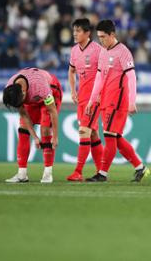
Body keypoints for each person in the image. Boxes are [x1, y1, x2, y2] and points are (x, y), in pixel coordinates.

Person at [84, 20, 150, 182]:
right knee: (116, 138)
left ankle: (102, 174)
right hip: (105, 99)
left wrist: (132, 101)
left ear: (112, 35)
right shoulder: (103, 52)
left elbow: (132, 77)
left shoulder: (123, 52)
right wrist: (92, 100)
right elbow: (99, 77)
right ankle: (140, 167)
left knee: (109, 135)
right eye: (98, 37)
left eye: (103, 37)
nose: (101, 40)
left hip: (118, 100)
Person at [2, 67, 63, 183]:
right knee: (23, 131)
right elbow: (24, 114)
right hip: (33, 99)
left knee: (45, 130)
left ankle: (48, 173)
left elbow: (53, 111)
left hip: (51, 91)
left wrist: (55, 136)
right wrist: (34, 137)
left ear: (24, 93)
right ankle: (22, 174)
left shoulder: (40, 87)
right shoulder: (11, 90)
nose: (20, 105)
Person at [66, 18, 104, 182]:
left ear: (87, 33)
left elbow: (104, 73)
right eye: (74, 30)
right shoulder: (74, 51)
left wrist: (101, 93)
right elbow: (71, 71)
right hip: (82, 98)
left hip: (94, 99)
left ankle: (78, 171)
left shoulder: (97, 50)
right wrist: (73, 91)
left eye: (78, 31)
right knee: (93, 134)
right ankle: (101, 171)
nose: (75, 34)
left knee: (84, 131)